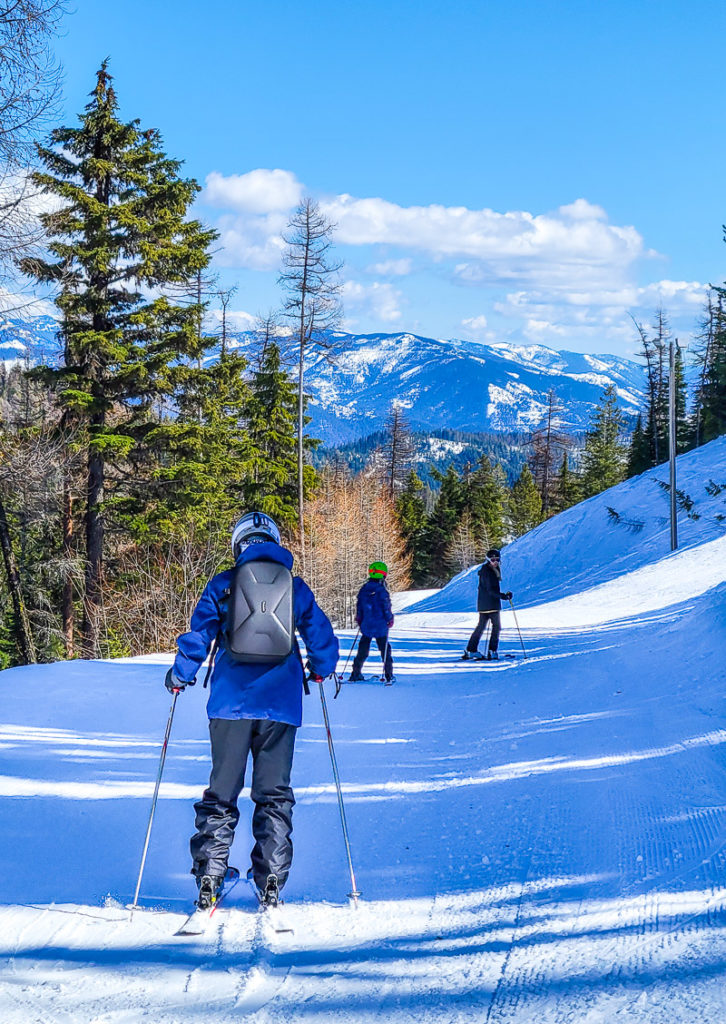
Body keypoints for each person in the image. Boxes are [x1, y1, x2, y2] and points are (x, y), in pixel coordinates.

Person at [165, 511, 338, 910]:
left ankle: (210, 876)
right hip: (281, 705)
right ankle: (271, 878)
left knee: (221, 794)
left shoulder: (224, 585)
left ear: (238, 543)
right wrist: (320, 670)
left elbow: (199, 637)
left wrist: (179, 675)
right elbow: (321, 637)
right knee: (274, 794)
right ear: (273, 541)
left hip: (228, 705)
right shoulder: (295, 587)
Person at [461, 548, 513, 661]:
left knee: (481, 626)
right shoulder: (488, 572)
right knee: (496, 627)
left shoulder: (489, 570)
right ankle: (491, 651)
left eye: (497, 559)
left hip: (484, 603)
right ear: (488, 560)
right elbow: (490, 590)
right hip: (490, 604)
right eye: (493, 559)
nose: (495, 561)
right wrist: (503, 596)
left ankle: (471, 650)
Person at [349, 561, 395, 685]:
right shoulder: (382, 590)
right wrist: (390, 619)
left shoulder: (364, 589)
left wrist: (359, 619)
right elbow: (386, 607)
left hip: (366, 624)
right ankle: (389, 675)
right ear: (383, 575)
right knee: (385, 650)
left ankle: (355, 673)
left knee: (362, 650)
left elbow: (359, 606)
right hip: (380, 625)